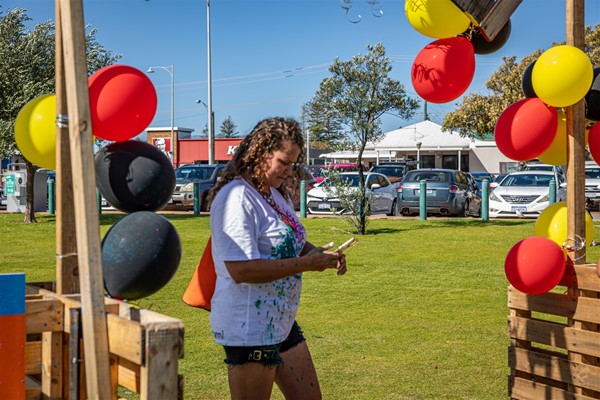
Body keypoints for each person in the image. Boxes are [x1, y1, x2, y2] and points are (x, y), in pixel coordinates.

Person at [207, 117, 347, 400]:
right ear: (260, 152)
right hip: (249, 329)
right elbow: (241, 270)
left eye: (293, 163)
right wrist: (307, 264)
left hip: (279, 323)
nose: (288, 170)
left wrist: (317, 253)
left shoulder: (272, 193)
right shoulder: (236, 197)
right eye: (283, 161)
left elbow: (288, 241)